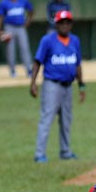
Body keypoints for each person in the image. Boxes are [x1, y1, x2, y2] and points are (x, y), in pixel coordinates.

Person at [29, 10, 85, 163]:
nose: (65, 25)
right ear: (56, 24)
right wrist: (33, 83)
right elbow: (37, 62)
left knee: (67, 120)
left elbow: (78, 65)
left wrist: (82, 86)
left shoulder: (75, 41)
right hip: (52, 85)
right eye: (62, 22)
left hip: (68, 86)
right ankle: (40, 153)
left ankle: (65, 152)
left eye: (68, 22)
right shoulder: (47, 40)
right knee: (47, 118)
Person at [0, 0, 34, 78]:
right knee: (10, 50)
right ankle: (12, 71)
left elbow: (31, 10)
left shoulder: (23, 0)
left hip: (21, 27)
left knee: (24, 48)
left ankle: (29, 70)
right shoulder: (4, 2)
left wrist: (28, 21)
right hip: (9, 27)